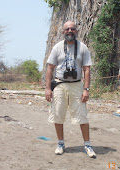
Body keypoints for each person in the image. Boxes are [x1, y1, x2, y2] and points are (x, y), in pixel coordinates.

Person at [45, 21, 96, 158]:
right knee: (58, 114)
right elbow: (50, 68)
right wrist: (48, 88)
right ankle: (60, 143)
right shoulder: (57, 48)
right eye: (67, 29)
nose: (70, 31)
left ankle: (87, 144)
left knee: (82, 114)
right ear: (63, 32)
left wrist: (86, 89)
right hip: (60, 84)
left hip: (77, 85)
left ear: (76, 31)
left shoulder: (83, 48)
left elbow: (86, 69)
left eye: (72, 29)